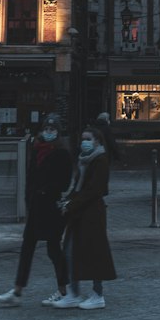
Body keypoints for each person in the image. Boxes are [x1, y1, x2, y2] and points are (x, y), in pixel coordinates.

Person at [0, 112, 72, 307]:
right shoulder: (37, 150)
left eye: (52, 129)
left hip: (51, 207)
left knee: (53, 249)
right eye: (46, 129)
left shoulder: (62, 153)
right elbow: (31, 177)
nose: (49, 132)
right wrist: (29, 199)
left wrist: (47, 190)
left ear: (58, 132)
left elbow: (64, 182)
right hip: (37, 207)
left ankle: (65, 290)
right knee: (27, 247)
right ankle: (17, 290)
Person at [52, 124, 117, 310]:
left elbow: (94, 189)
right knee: (71, 251)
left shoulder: (100, 160)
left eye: (88, 139)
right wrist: (68, 201)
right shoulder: (84, 160)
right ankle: (74, 292)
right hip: (80, 212)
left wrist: (72, 204)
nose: (84, 143)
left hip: (92, 213)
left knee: (94, 252)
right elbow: (78, 186)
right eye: (82, 139)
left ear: (97, 141)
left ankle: (97, 294)